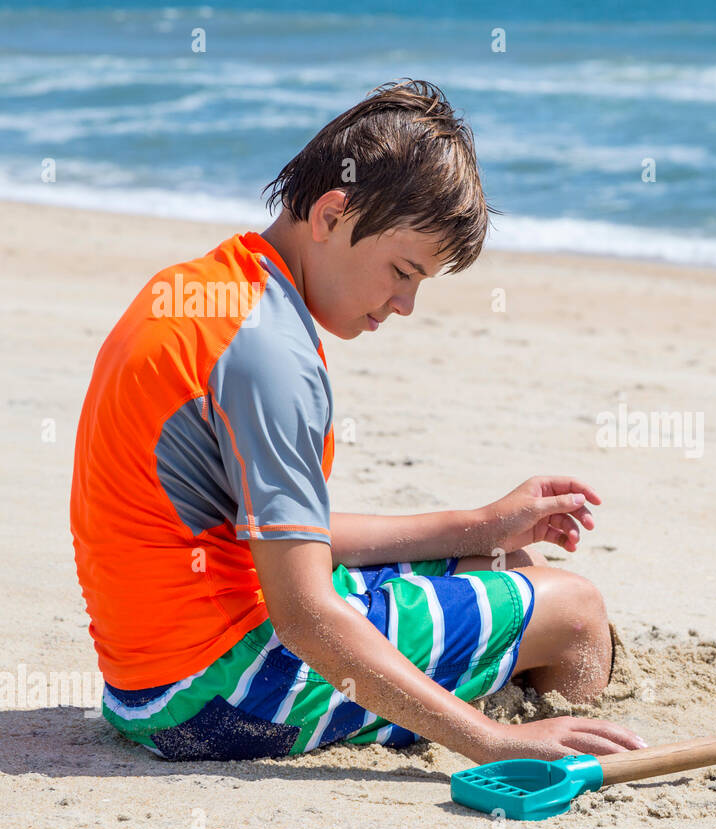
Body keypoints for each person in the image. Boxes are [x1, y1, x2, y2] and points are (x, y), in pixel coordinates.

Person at [69, 78, 647, 764]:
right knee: (576, 612)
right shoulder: (270, 353)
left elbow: (279, 538)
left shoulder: (204, 290)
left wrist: (482, 525)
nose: (405, 304)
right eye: (402, 271)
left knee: (504, 560)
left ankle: (468, 687)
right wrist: (495, 741)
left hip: (146, 683)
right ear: (332, 214)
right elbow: (305, 614)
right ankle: (555, 739)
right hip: (218, 694)